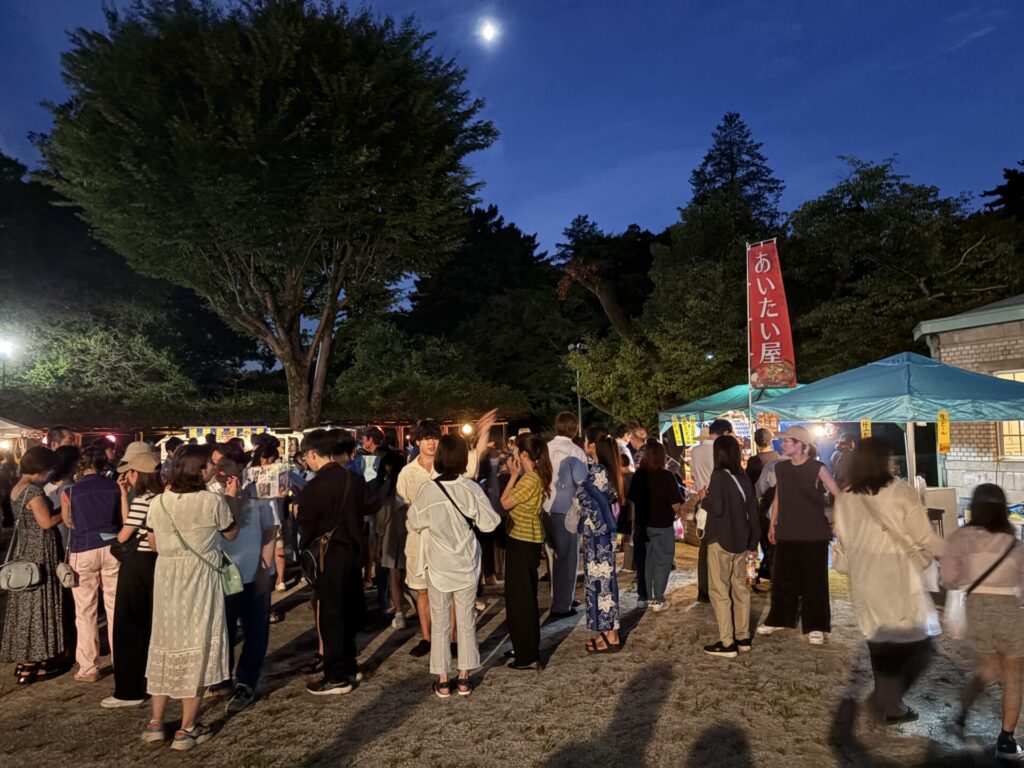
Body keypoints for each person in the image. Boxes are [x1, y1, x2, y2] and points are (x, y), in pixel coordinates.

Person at [833, 437, 941, 725]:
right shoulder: (901, 492)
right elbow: (924, 536)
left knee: (879, 644)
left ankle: (891, 706)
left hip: (865, 580)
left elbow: (843, 538)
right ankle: (888, 700)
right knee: (921, 648)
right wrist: (950, 552)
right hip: (898, 579)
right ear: (884, 461)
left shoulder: (846, 497)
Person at [144, 445, 239, 750]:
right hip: (199, 577)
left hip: (166, 577)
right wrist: (232, 499)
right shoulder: (212, 501)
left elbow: (153, 544)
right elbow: (231, 533)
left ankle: (156, 722)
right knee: (199, 642)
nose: (213, 468)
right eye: (208, 464)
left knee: (165, 641)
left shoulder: (158, 502)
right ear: (197, 470)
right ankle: (187, 728)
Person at [408, 434, 500, 697]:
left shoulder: (428, 490)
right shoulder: (471, 488)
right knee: (466, 620)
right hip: (466, 562)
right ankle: (464, 677)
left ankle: (442, 679)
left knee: (440, 622)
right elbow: (490, 523)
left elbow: (413, 522)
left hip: (438, 564)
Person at [399, 412, 496, 657]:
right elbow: (406, 506)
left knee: (450, 592)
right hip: (419, 540)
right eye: (426, 438)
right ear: (418, 442)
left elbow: (475, 458)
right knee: (422, 590)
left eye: (434, 438)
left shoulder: (450, 468)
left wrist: (484, 432)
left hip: (448, 542)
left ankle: (451, 638)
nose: (431, 443)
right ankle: (427, 637)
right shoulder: (408, 473)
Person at [942, 483, 1024, 759]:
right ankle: (1006, 741)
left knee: (986, 668)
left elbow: (948, 579)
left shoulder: (959, 538)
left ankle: (963, 712)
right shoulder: (1014, 543)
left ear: (974, 508)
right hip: (1009, 609)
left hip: (976, 608)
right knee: (1012, 677)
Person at [297, 430, 368, 696]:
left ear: (313, 454)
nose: (306, 461)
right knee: (348, 613)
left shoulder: (314, 487)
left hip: (328, 557)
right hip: (353, 553)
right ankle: (350, 667)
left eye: (306, 456)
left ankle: (336, 676)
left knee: (332, 618)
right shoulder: (354, 479)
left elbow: (306, 526)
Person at [758, 425, 842, 645]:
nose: (782, 444)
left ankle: (816, 625)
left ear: (800, 445)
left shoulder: (817, 467)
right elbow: (779, 496)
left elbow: (838, 494)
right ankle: (779, 619)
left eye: (787, 441)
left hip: (814, 533)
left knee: (814, 582)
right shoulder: (781, 468)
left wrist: (838, 522)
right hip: (787, 531)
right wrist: (773, 524)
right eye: (783, 440)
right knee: (783, 580)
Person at [0, 446, 65, 685]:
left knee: (25, 607)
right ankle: (33, 663)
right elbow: (46, 522)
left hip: (25, 550)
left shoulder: (16, 488)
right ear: (41, 468)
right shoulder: (34, 492)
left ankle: (27, 661)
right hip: (40, 552)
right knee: (39, 605)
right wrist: (65, 510)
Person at [105, 450, 163, 708]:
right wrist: (123, 495)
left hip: (137, 563)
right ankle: (149, 680)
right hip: (156, 562)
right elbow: (133, 521)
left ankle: (128, 690)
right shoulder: (161, 497)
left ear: (136, 474)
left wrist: (116, 541)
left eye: (129, 472)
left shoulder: (143, 500)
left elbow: (124, 534)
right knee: (149, 622)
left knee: (128, 624)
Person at [222, 449, 277, 714]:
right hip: (222, 575)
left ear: (241, 466)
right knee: (224, 631)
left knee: (255, 631)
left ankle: (246, 681)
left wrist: (265, 569)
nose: (220, 469)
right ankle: (222, 677)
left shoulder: (260, 494)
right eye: (215, 463)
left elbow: (270, 530)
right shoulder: (210, 495)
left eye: (225, 464)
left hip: (253, 572)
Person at [61, 445, 122, 683]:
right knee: (115, 605)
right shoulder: (114, 487)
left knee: (85, 611)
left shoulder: (69, 492)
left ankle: (88, 668)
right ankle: (121, 660)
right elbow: (122, 517)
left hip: (82, 549)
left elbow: (69, 522)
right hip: (111, 547)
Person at [702, 436, 760, 658]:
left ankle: (727, 642)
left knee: (719, 590)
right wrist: (753, 542)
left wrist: (703, 499)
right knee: (740, 589)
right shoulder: (743, 476)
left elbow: (716, 508)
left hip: (720, 540)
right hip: (741, 541)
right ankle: (743, 637)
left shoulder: (718, 476)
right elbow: (753, 511)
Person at [501, 434, 552, 670]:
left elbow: (504, 502)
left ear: (523, 454)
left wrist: (512, 475)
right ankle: (524, 647)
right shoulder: (534, 476)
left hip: (521, 540)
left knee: (519, 599)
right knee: (523, 596)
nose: (512, 455)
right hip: (526, 540)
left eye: (515, 451)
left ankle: (527, 654)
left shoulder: (529, 479)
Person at [576, 430, 624, 653]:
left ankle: (610, 634)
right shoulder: (607, 470)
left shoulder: (598, 471)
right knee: (604, 581)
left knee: (601, 583)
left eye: (587, 441)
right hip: (603, 533)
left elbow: (587, 499)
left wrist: (579, 492)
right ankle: (609, 631)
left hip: (598, 535)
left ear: (593, 445)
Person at [628, 441, 684, 612]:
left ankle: (643, 597)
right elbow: (675, 503)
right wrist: (678, 512)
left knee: (644, 562)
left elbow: (633, 502)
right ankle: (658, 599)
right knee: (662, 562)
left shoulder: (638, 475)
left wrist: (634, 524)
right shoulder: (667, 476)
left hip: (641, 525)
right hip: (662, 525)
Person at [544, 411, 588, 618]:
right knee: (568, 559)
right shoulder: (575, 452)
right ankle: (562, 604)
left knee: (552, 557)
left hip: (545, 508)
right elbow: (582, 483)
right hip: (566, 509)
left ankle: (559, 596)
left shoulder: (545, 449)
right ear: (575, 428)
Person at [690, 419, 733, 603]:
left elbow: (693, 476)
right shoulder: (720, 451)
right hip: (719, 503)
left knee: (704, 546)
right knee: (722, 545)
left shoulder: (695, 451)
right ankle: (720, 587)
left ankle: (704, 590)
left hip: (702, 501)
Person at [745, 428, 779, 581]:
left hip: (761, 503)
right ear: (770, 441)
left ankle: (769, 566)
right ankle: (770, 566)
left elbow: (750, 484)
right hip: (775, 501)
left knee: (763, 537)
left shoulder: (754, 461)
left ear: (755, 441)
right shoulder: (777, 456)